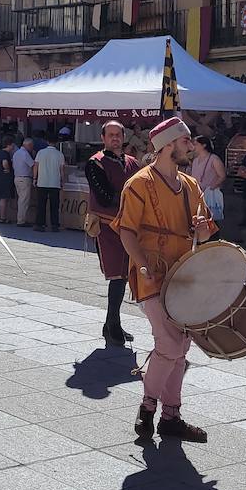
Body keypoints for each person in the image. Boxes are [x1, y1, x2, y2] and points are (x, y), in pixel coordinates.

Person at [115, 116, 216, 442]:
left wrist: (201, 229)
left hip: (183, 274)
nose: (191, 146)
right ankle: (147, 408)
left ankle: (171, 416)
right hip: (152, 275)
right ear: (169, 145)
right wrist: (143, 265)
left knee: (181, 347)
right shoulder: (139, 184)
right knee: (170, 343)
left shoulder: (190, 185)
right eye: (186, 141)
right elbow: (127, 232)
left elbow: (205, 230)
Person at [85, 120, 140, 346]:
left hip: (129, 226)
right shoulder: (95, 163)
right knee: (117, 276)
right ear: (103, 138)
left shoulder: (132, 163)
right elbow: (104, 197)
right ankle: (113, 325)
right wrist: (133, 202)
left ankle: (111, 324)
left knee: (125, 276)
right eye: (111, 134)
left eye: (118, 134)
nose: (115, 138)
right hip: (107, 226)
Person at [190, 135, 226, 225]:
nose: (193, 147)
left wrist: (212, 187)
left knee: (211, 220)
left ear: (204, 145)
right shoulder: (195, 160)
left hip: (209, 194)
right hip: (196, 194)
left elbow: (222, 176)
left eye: (196, 144)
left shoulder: (214, 159)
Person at [33, 139, 65, 233]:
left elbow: (36, 166)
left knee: (41, 204)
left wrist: (35, 178)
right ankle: (54, 225)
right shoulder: (60, 154)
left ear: (47, 142)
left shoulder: (40, 153)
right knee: (54, 205)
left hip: (42, 182)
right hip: (55, 183)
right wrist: (62, 181)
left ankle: (40, 224)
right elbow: (62, 170)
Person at [12, 137, 36, 227]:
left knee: (21, 199)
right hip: (25, 178)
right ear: (29, 145)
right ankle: (21, 220)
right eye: (31, 146)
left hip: (17, 177)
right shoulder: (25, 154)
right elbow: (32, 165)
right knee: (24, 201)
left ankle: (21, 219)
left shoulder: (16, 153)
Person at [0, 135, 17, 224]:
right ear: (9, 145)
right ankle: (3, 217)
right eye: (12, 144)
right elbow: (5, 163)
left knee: (2, 198)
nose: (13, 146)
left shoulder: (1, 152)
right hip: (5, 179)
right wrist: (7, 169)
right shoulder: (5, 154)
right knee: (4, 198)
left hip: (0, 178)